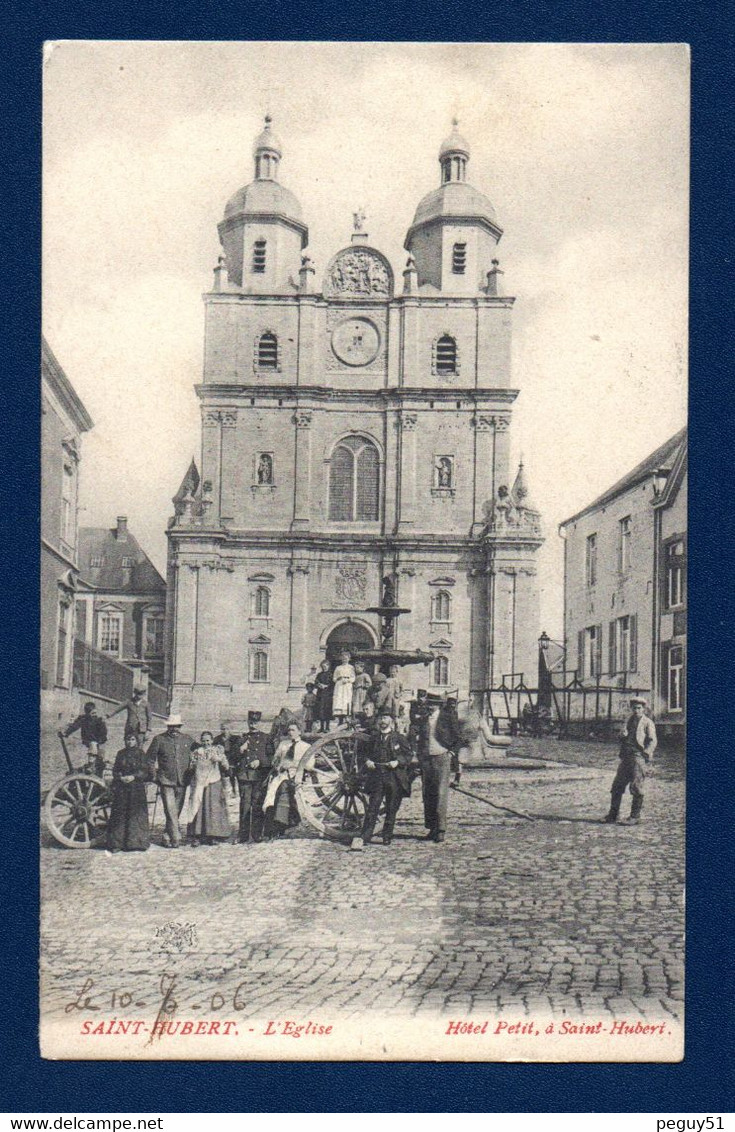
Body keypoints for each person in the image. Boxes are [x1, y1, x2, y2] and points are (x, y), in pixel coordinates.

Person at [351, 710, 412, 848]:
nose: (382, 721)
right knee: (372, 808)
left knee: (391, 809)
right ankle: (365, 836)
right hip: (377, 776)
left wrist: (398, 762)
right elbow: (363, 754)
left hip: (394, 777)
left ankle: (387, 836)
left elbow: (408, 755)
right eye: (380, 718)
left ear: (391, 720)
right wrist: (367, 761)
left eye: (385, 718)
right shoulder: (374, 738)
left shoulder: (399, 738)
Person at [604, 697, 658, 824]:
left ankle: (635, 817)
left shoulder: (647, 722)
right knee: (617, 785)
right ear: (631, 709)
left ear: (643, 709)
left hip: (637, 756)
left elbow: (653, 740)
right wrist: (621, 736)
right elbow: (621, 737)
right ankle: (613, 815)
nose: (636, 710)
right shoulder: (628, 720)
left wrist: (646, 753)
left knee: (636, 786)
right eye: (634, 708)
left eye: (639, 708)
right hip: (626, 756)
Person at [146, 714, 195, 848]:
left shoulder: (188, 739)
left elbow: (197, 755)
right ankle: (176, 837)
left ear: (180, 727)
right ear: (168, 726)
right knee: (170, 809)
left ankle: (167, 835)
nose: (174, 729)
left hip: (183, 780)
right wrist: (154, 776)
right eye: (171, 726)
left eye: (177, 726)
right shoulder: (159, 739)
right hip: (166, 780)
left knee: (176, 810)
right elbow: (149, 759)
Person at [179, 731, 231, 845]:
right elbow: (191, 767)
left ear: (212, 740)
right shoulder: (197, 752)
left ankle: (213, 835)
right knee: (198, 806)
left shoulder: (217, 750)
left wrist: (219, 759)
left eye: (208, 740)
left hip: (214, 781)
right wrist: (194, 764)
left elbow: (226, 766)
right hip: (199, 782)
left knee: (213, 807)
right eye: (203, 740)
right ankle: (197, 835)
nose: (206, 743)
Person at [262, 722, 309, 838]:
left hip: (296, 775)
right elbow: (275, 760)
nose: (290, 732)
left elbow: (310, 765)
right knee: (270, 796)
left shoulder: (306, 747)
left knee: (283, 789)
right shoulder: (284, 744)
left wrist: (293, 765)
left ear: (299, 732)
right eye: (289, 730)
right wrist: (278, 766)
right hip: (281, 775)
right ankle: (271, 829)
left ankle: (280, 825)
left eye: (293, 730)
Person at [419, 694, 455, 843]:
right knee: (428, 794)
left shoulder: (447, 718)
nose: (429, 706)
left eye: (432, 704)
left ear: (439, 705)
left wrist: (452, 752)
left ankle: (441, 829)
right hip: (426, 759)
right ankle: (432, 828)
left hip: (441, 757)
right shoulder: (424, 719)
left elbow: (457, 736)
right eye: (428, 704)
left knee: (441, 794)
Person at [107, 732, 151, 852]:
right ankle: (117, 844)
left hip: (136, 789)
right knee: (119, 815)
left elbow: (145, 771)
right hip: (122, 789)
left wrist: (134, 776)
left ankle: (136, 843)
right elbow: (115, 770)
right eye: (127, 739)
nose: (130, 742)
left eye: (132, 739)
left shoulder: (141, 754)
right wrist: (120, 777)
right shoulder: (120, 754)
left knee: (136, 815)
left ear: (136, 741)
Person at [233, 711, 272, 842]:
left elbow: (272, 758)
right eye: (250, 722)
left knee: (257, 804)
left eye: (255, 722)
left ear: (259, 723)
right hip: (244, 776)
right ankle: (242, 835)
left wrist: (260, 762)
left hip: (259, 776)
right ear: (247, 722)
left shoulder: (266, 738)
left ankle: (257, 834)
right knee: (244, 805)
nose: (252, 724)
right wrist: (240, 750)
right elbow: (233, 758)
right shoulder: (242, 738)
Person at [62, 702, 108, 776]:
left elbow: (104, 732)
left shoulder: (99, 720)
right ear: (87, 713)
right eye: (92, 713)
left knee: (100, 758)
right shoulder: (83, 719)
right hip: (89, 740)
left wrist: (100, 740)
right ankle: (90, 765)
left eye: (95, 713)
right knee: (93, 747)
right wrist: (66, 733)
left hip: (100, 741)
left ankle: (99, 773)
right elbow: (75, 726)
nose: (94, 715)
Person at [436, 695, 463, 785]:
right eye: (451, 704)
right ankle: (443, 779)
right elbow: (441, 727)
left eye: (454, 704)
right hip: (446, 738)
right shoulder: (443, 713)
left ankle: (457, 779)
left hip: (454, 738)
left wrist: (458, 736)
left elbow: (455, 726)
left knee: (456, 759)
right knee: (445, 759)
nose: (452, 706)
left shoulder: (455, 713)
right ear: (447, 704)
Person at [214, 721, 242, 796]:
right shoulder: (216, 740)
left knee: (233, 779)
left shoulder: (236, 739)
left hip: (233, 764)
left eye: (227, 729)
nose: (225, 731)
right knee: (223, 782)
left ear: (231, 729)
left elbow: (237, 751)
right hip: (222, 765)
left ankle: (234, 793)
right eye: (223, 729)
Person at [332, 650, 356, 724]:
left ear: (349, 659)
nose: (344, 659)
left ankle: (347, 719)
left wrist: (348, 680)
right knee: (339, 700)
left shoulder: (351, 667)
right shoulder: (338, 668)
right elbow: (334, 678)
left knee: (346, 700)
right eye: (343, 658)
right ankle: (340, 720)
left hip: (347, 686)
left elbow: (353, 678)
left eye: (346, 658)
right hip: (339, 686)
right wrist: (338, 679)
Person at [315, 660, 333, 732]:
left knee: (327, 710)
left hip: (328, 694)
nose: (324, 668)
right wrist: (319, 685)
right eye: (323, 666)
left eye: (325, 666)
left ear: (328, 666)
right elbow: (316, 682)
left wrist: (326, 686)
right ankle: (322, 727)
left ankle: (327, 727)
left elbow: (333, 684)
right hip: (320, 694)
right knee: (321, 710)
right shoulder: (319, 674)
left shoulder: (331, 674)